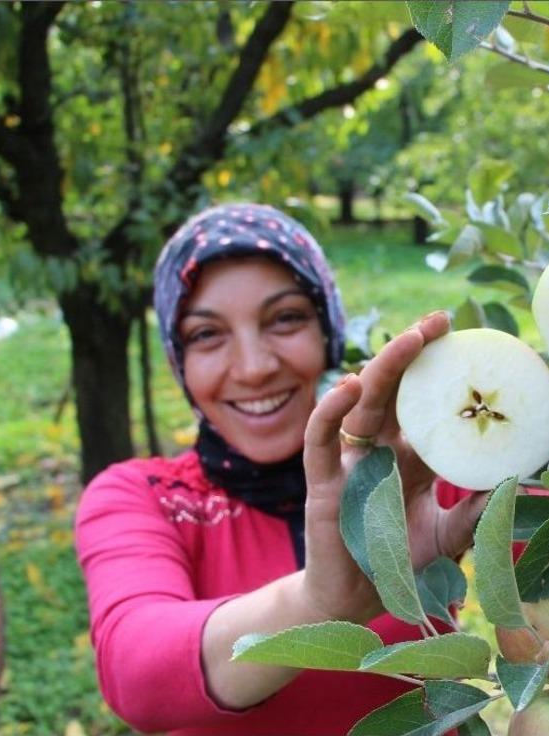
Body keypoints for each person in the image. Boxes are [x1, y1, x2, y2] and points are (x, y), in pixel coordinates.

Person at [73, 203, 492, 735]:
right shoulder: (144, 496)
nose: (253, 367)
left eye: (286, 318)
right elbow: (138, 674)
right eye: (206, 334)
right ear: (179, 359)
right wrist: (318, 603)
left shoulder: (408, 474)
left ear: (327, 327)